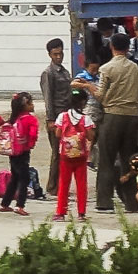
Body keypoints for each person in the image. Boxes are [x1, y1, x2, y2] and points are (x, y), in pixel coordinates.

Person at [78, 32, 138, 214]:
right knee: (129, 160)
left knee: (106, 159)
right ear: (128, 48)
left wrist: (87, 86)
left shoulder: (106, 68)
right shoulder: (135, 68)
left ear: (112, 47)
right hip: (132, 116)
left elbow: (100, 96)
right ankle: (132, 202)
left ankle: (104, 202)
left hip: (113, 116)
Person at [52, 89, 94, 222]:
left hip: (65, 155)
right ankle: (81, 213)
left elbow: (58, 134)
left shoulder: (62, 116)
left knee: (63, 183)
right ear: (83, 102)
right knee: (81, 184)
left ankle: (60, 212)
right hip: (81, 156)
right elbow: (91, 136)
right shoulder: (85, 118)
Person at [39, 37, 73, 197]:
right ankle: (53, 187)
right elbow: (48, 98)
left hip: (67, 117)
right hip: (56, 117)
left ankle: (61, 184)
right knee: (57, 154)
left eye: (60, 53)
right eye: (55, 54)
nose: (58, 57)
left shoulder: (65, 72)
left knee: (66, 152)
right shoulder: (48, 73)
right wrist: (51, 120)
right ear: (49, 55)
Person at [0, 91, 40, 216]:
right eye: (30, 103)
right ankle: (20, 205)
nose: (33, 105)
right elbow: (33, 134)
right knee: (24, 178)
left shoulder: (13, 119)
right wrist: (30, 144)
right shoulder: (30, 119)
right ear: (25, 105)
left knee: (15, 177)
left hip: (12, 151)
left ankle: (5, 203)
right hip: (23, 151)